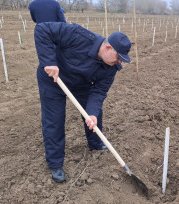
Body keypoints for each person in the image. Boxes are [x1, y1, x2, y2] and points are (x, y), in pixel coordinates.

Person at [34, 22, 131, 183]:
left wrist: (91, 112)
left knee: (95, 114)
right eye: (118, 58)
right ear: (108, 49)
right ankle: (55, 163)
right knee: (54, 120)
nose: (119, 62)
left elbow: (99, 91)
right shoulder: (77, 35)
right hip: (53, 80)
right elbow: (42, 29)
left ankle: (95, 143)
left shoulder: (110, 68)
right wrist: (49, 61)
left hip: (81, 84)